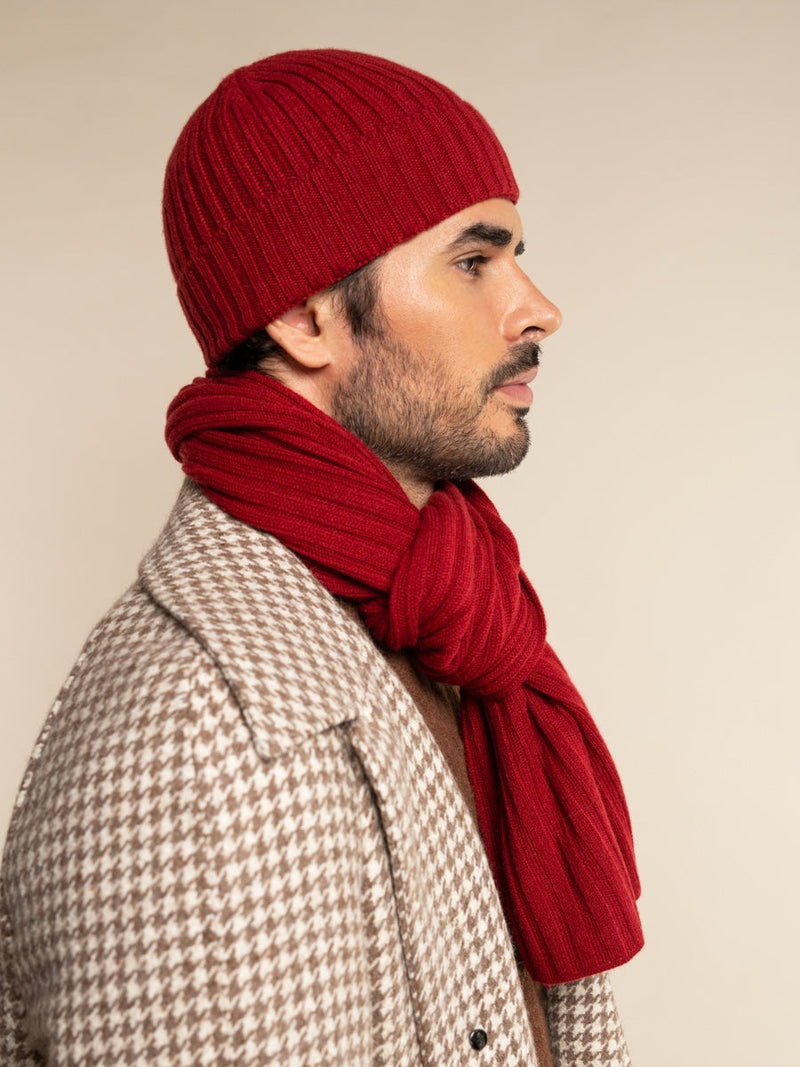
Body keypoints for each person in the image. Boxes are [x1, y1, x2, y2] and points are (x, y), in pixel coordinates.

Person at [0, 50, 643, 1065]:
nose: (537, 308)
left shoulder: (457, 613)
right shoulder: (197, 730)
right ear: (305, 318)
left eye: (516, 255)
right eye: (472, 262)